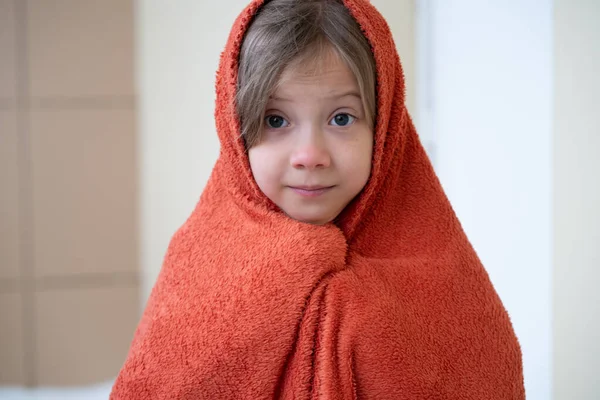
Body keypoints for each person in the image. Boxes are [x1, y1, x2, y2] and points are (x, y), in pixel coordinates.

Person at [110, 0, 525, 398]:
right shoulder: (198, 263)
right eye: (276, 120)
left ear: (384, 128)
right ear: (235, 126)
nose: (310, 155)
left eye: (341, 118)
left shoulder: (445, 284)